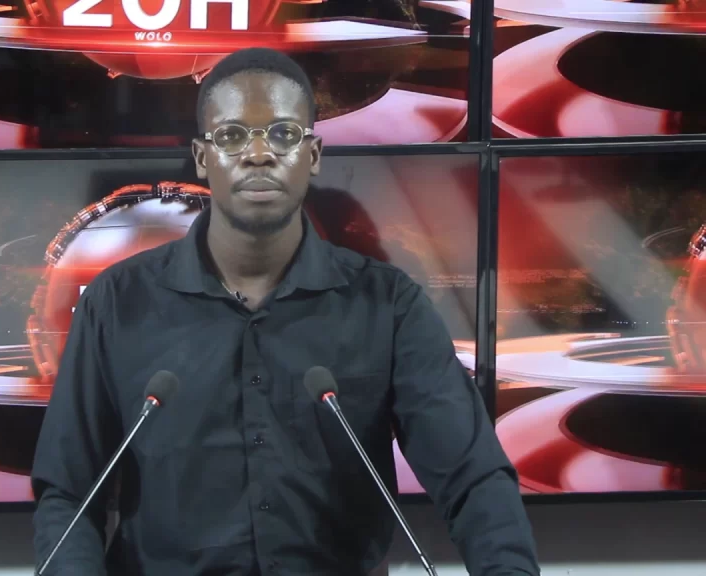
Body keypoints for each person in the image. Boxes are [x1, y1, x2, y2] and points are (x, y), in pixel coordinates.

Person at [31, 47, 540, 575]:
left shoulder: (388, 305)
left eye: (283, 134)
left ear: (313, 154)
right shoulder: (117, 303)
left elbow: (473, 478)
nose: (258, 154)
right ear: (202, 157)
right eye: (232, 135)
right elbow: (68, 493)